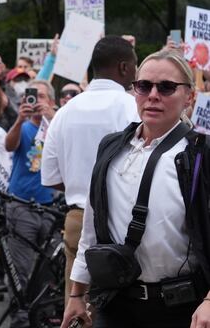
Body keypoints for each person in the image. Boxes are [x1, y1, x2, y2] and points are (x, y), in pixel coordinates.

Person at [62, 50, 210, 328]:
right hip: (116, 303)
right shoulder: (111, 147)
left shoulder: (200, 153)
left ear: (189, 97)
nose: (153, 95)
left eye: (166, 87)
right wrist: (77, 293)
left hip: (182, 309)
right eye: (144, 86)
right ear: (134, 91)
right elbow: (91, 229)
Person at [41, 36, 139, 306]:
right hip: (125, 221)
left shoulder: (63, 112)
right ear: (123, 68)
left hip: (77, 217)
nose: (136, 72)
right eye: (135, 65)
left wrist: (81, 184)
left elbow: (50, 177)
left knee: (78, 308)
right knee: (124, 310)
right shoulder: (133, 107)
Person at [4, 80, 58, 328]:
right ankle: (20, 318)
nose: (37, 102)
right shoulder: (24, 126)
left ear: (51, 101)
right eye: (33, 97)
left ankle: (40, 314)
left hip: (49, 207)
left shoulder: (56, 127)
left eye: (43, 97)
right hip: (22, 205)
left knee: (47, 269)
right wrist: (18, 120)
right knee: (21, 267)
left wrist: (53, 118)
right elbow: (9, 145)